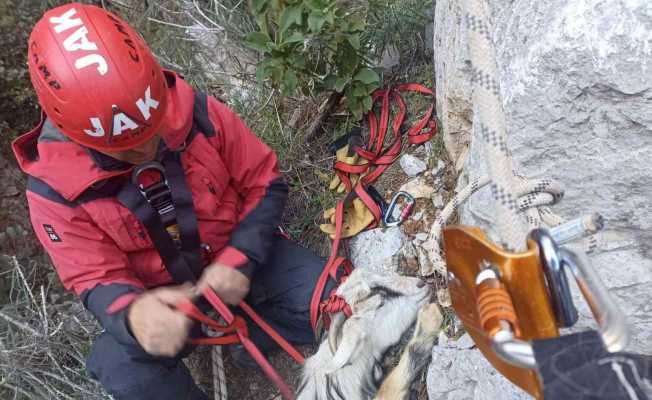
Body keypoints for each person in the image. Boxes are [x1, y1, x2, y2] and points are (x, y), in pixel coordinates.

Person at [13, 3, 331, 399]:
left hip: (242, 266)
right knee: (125, 372)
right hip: (169, 309)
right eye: (128, 149)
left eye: (154, 130)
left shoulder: (193, 111)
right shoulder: (57, 193)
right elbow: (93, 278)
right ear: (77, 134)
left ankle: (248, 337)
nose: (148, 149)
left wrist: (240, 259)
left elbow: (263, 181)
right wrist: (134, 314)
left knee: (334, 299)